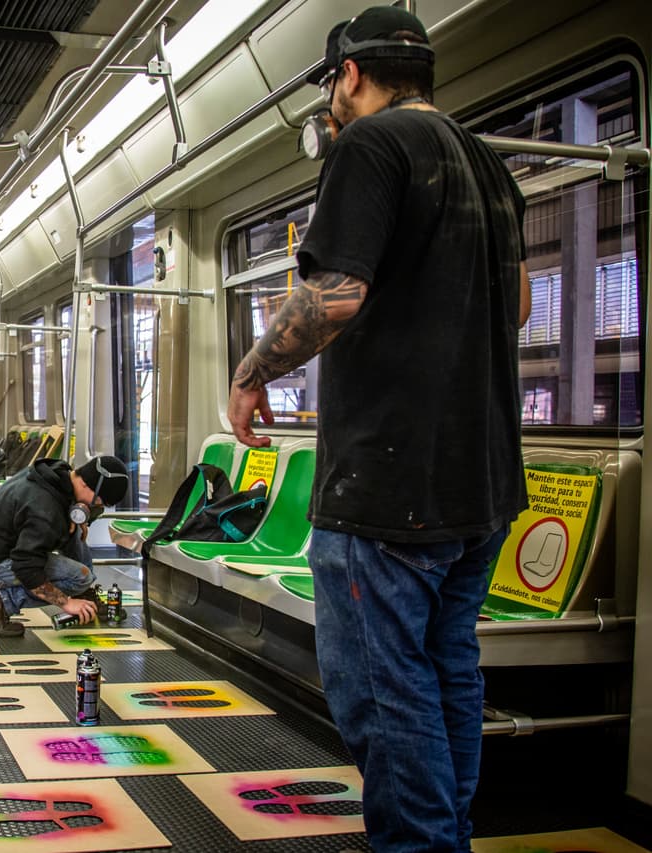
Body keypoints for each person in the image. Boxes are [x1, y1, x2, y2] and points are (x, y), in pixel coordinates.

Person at [225, 8, 530, 850]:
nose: (331, 102)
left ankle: (423, 846)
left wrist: (252, 372)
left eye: (330, 86)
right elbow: (523, 307)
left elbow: (337, 295)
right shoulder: (488, 166)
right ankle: (449, 833)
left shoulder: (370, 145)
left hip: (389, 486)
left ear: (350, 74)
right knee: (446, 674)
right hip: (484, 481)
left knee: (385, 692)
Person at [0, 454, 129, 637]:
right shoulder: (44, 507)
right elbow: (27, 567)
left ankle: (83, 594)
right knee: (81, 577)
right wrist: (66, 603)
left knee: (75, 531)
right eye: (98, 502)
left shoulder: (58, 474)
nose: (96, 506)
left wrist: (83, 517)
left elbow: (73, 514)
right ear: (85, 485)